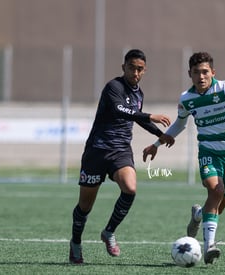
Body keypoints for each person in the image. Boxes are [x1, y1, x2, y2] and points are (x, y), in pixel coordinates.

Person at [143, 52, 225, 264]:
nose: (201, 76)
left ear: (213, 72)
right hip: (209, 151)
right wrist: (157, 144)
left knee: (218, 205)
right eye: (196, 72)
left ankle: (198, 215)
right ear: (189, 74)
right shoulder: (186, 99)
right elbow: (180, 125)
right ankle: (210, 246)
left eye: (205, 72)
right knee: (216, 190)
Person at [69, 49, 174, 264]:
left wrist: (160, 134)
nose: (135, 73)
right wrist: (150, 115)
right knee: (85, 206)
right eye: (132, 68)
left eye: (140, 69)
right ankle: (76, 243)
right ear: (123, 67)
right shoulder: (113, 87)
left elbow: (138, 118)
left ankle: (108, 232)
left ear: (144, 71)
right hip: (97, 151)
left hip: (120, 151)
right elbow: (120, 110)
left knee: (130, 188)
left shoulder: (139, 94)